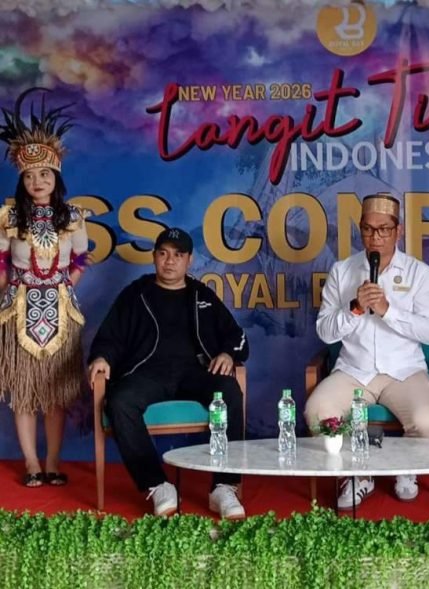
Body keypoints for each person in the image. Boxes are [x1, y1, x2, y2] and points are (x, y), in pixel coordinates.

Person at [87, 227, 249, 519]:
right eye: (163, 253)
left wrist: (227, 353)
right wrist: (101, 357)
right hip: (148, 373)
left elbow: (236, 337)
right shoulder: (136, 294)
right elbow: (110, 337)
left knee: (229, 391)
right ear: (154, 257)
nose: (169, 261)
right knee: (120, 401)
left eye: (177, 255)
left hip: (195, 372)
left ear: (189, 260)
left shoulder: (201, 295)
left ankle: (224, 486)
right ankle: (157, 485)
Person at [305, 193, 429, 509]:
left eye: (384, 229)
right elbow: (325, 332)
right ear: (360, 230)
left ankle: (407, 469)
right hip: (354, 371)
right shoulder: (342, 270)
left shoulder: (419, 272)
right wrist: (354, 308)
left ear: (398, 231)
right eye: (368, 229)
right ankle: (357, 474)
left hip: (404, 372)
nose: (375, 237)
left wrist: (387, 310)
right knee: (317, 413)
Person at [0, 88, 90, 488]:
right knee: (24, 392)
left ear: (56, 178)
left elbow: (80, 258)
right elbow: (2, 263)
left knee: (55, 394)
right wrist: (8, 295)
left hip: (61, 311)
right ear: (23, 180)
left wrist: (63, 286)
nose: (38, 181)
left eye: (45, 174)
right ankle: (32, 463)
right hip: (19, 310)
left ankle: (53, 461)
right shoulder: (8, 217)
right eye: (30, 175)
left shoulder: (72, 217)